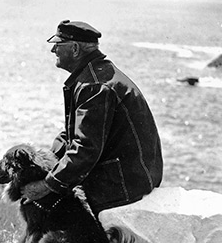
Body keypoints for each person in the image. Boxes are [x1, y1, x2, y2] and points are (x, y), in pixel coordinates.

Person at [21, 20, 163, 216]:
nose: (53, 50)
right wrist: (48, 159)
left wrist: (48, 184)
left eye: (58, 45)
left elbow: (86, 148)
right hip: (136, 174)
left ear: (75, 49)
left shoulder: (94, 86)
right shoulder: (96, 74)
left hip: (127, 183)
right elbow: (74, 132)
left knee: (55, 206)